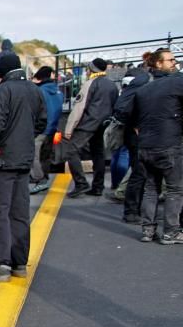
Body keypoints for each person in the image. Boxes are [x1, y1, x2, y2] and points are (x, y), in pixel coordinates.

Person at [0, 53, 46, 282]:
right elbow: (41, 123)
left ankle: (1, 264)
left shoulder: (1, 91)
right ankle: (19, 263)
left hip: (2, 161)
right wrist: (25, 138)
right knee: (20, 212)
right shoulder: (35, 91)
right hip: (25, 159)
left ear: (0, 73)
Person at [129, 48, 183, 244]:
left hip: (145, 145)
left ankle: (148, 231)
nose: (174, 63)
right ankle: (171, 232)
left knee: (151, 189)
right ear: (158, 63)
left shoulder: (143, 90)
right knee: (175, 189)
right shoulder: (177, 82)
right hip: (169, 144)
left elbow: (132, 119)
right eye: (170, 60)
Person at [64, 58, 118, 198]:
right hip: (103, 124)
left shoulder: (90, 83)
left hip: (88, 123)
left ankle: (81, 183)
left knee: (71, 151)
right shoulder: (112, 85)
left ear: (91, 69)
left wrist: (69, 129)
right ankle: (98, 186)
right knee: (98, 154)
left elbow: (79, 107)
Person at [112, 64, 152, 224]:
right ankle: (131, 211)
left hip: (133, 134)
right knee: (140, 173)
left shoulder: (135, 84)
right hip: (138, 135)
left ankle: (133, 209)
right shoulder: (145, 83)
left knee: (138, 172)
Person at [30, 66, 64, 194]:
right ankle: (44, 176)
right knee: (45, 156)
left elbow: (35, 110)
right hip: (53, 128)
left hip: (41, 129)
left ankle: (40, 179)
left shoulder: (39, 91)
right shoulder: (58, 91)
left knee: (33, 155)